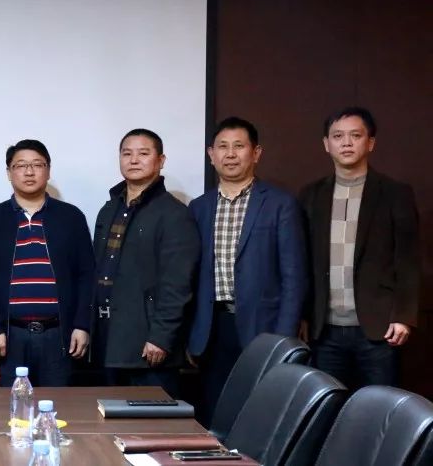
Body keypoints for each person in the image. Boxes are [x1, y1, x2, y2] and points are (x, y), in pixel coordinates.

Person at [188, 117, 307, 423]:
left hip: (262, 327)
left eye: (239, 146)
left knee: (259, 417)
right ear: (211, 154)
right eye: (222, 147)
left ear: (256, 153)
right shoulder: (199, 208)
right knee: (214, 415)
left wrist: (284, 338)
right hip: (211, 328)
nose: (230, 154)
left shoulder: (280, 204)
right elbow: (190, 276)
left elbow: (294, 277)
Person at [299, 106, 419, 389]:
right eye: (338, 136)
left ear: (371, 142)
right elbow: (303, 262)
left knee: (379, 406)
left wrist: (403, 317)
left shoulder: (395, 193)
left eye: (355, 135)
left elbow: (408, 260)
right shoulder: (310, 195)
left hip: (379, 330)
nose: (347, 143)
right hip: (324, 330)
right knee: (328, 407)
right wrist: (302, 316)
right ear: (326, 144)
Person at [0, 139, 94, 387]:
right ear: (9, 173)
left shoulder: (71, 217)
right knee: (10, 406)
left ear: (48, 170)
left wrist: (82, 325)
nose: (29, 172)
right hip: (9, 337)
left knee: (59, 405)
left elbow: (87, 274)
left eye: (37, 165)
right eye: (20, 165)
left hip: (59, 336)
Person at [92, 129, 199, 397]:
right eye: (127, 153)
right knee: (106, 415)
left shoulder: (174, 213)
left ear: (160, 160)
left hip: (148, 345)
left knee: (150, 419)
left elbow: (178, 284)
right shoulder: (109, 209)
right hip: (109, 339)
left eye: (143, 153)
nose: (133, 160)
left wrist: (161, 338)